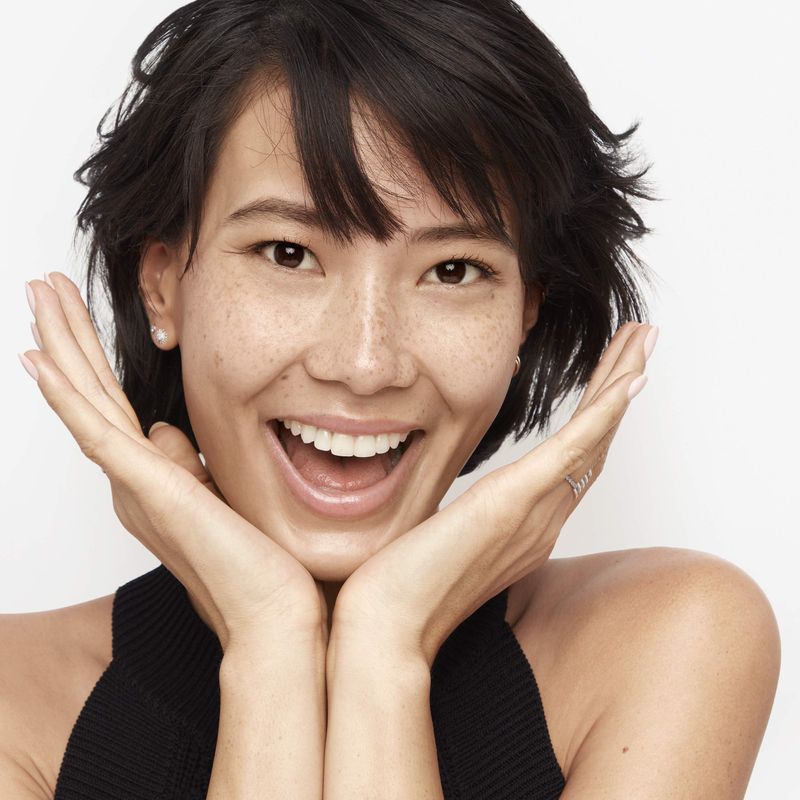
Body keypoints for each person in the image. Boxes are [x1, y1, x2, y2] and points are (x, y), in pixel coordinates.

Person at [2, 1, 780, 798]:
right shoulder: (12, 708)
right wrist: (267, 637)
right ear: (163, 286)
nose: (367, 364)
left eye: (452, 270)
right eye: (288, 253)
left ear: (526, 310)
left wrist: (385, 645)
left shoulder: (672, 638)